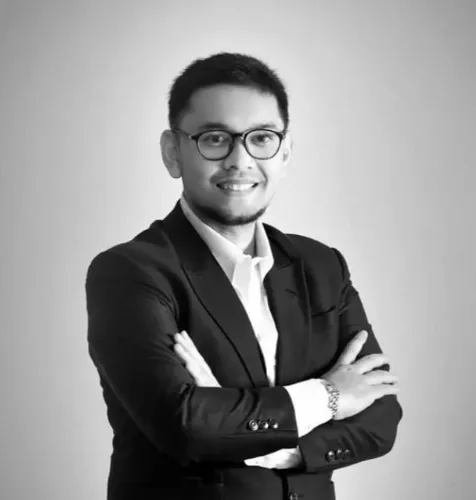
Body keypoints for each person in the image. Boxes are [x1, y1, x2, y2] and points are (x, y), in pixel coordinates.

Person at [85, 52, 402, 500]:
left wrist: (264, 444)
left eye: (262, 138)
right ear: (173, 152)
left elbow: (381, 419)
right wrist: (329, 397)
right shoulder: (130, 272)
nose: (240, 159)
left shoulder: (322, 265)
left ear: (284, 152)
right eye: (215, 139)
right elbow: (185, 425)